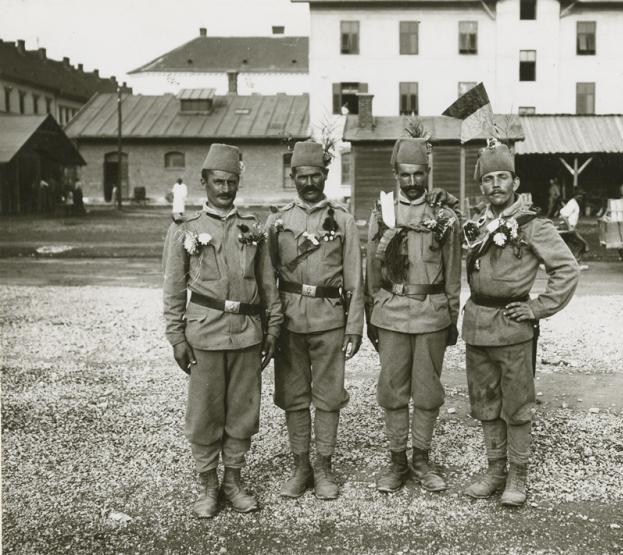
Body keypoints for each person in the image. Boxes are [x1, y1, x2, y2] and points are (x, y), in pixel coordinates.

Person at [162, 143, 283, 518]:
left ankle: (233, 480)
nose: (226, 189)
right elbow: (172, 288)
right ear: (204, 182)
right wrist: (176, 337)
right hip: (205, 334)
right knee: (204, 414)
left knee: (242, 412)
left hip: (247, 333)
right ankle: (208, 487)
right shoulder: (187, 229)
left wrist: (273, 328)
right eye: (218, 181)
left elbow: (267, 284)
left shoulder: (252, 228)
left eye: (232, 182)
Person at [461, 143, 579, 506]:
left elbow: (566, 268)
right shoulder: (477, 225)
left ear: (515, 182)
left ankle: (518, 474)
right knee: (485, 403)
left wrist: (538, 308)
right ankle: (495, 470)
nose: (495, 185)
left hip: (513, 326)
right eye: (488, 179)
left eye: (502, 177)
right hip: (478, 325)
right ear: (481, 186)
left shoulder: (533, 225)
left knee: (517, 405)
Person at [266, 140, 364, 501]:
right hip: (290, 321)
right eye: (302, 176)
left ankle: (323, 466)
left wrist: (354, 325)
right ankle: (300, 466)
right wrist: (271, 325)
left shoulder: (342, 220)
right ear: (292, 177)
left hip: (329, 321)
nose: (309, 182)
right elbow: (267, 277)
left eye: (316, 176)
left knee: (328, 397)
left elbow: (355, 277)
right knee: (293, 397)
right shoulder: (277, 221)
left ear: (325, 176)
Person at [365, 138, 462, 494]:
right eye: (404, 175)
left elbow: (453, 273)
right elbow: (372, 274)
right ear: (396, 175)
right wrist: (372, 315)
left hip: (432, 315)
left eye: (418, 174)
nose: (411, 182)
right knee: (392, 390)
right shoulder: (382, 213)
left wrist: (451, 318)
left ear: (428, 173)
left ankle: (421, 458)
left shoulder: (444, 217)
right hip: (391, 314)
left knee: (427, 391)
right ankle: (397, 462)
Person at [558, 189, 590, 270]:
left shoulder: (574, 203)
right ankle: (576, 263)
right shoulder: (572, 203)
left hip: (570, 228)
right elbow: (563, 215)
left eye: (582, 195)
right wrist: (569, 226)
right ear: (575, 195)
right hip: (568, 229)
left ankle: (569, 263)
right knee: (581, 244)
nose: (581, 197)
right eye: (579, 195)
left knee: (566, 245)